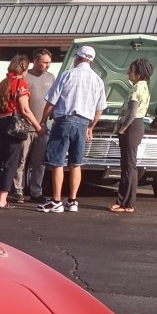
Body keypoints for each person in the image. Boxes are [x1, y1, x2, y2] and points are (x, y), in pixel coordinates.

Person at [37, 44, 107, 213]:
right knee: (76, 163)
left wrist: (43, 121)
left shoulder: (67, 75)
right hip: (83, 124)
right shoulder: (98, 80)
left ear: (78, 57)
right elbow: (100, 109)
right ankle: (73, 200)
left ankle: (56, 201)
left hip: (64, 121)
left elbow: (51, 102)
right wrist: (91, 127)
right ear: (91, 61)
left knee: (57, 163)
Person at [0, 57, 42, 209]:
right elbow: (24, 109)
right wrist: (38, 126)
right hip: (13, 123)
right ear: (23, 69)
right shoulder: (20, 84)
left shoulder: (3, 83)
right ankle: (2, 199)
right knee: (11, 162)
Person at [112, 58, 153, 213]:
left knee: (129, 166)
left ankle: (127, 203)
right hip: (137, 125)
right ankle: (124, 201)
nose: (129, 73)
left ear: (139, 73)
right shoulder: (143, 86)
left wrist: (122, 129)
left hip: (132, 126)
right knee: (128, 165)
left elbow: (132, 113)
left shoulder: (137, 89)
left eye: (131, 70)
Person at [16, 48, 55, 203]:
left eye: (49, 63)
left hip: (44, 127)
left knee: (39, 162)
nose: (47, 66)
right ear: (36, 61)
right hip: (26, 126)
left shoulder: (51, 77)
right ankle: (18, 190)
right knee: (22, 160)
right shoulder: (25, 76)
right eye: (44, 62)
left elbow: (54, 100)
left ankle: (36, 191)